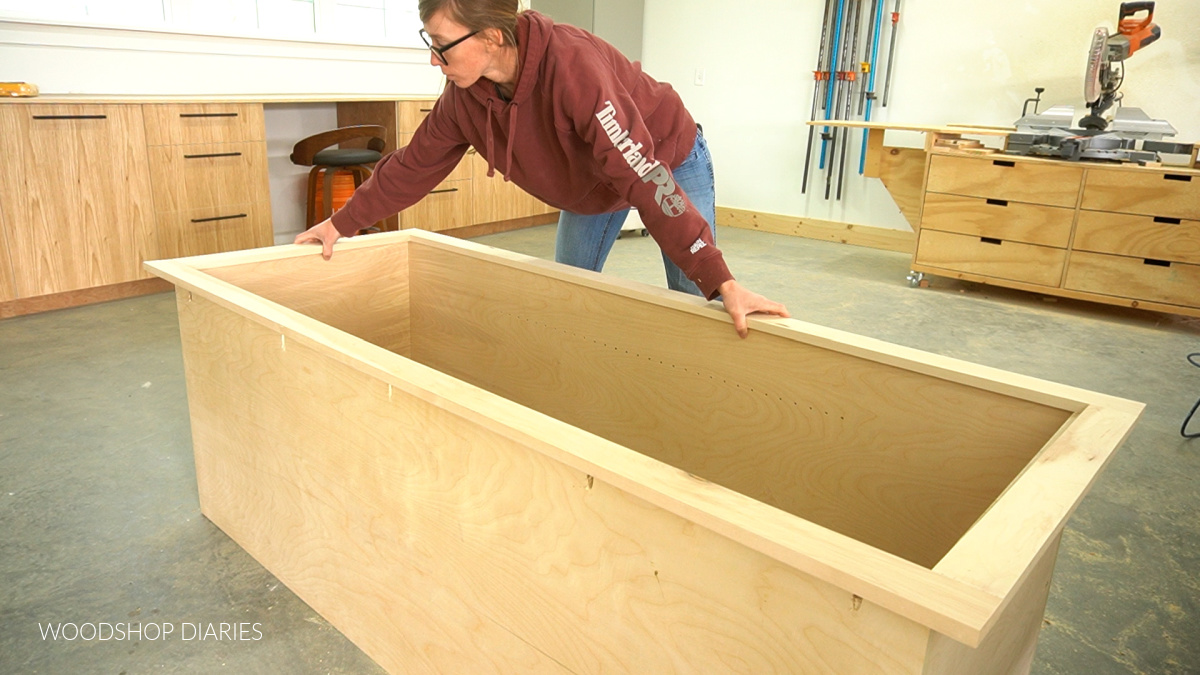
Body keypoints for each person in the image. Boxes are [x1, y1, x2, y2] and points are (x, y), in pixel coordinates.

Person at [295, 0, 789, 338]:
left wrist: (719, 278)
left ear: (490, 36)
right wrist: (340, 224)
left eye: (441, 43)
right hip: (595, 183)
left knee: (697, 295)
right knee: (565, 287)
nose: (432, 58)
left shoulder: (574, 68)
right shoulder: (464, 98)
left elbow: (641, 174)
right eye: (429, 40)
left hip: (664, 158)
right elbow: (412, 166)